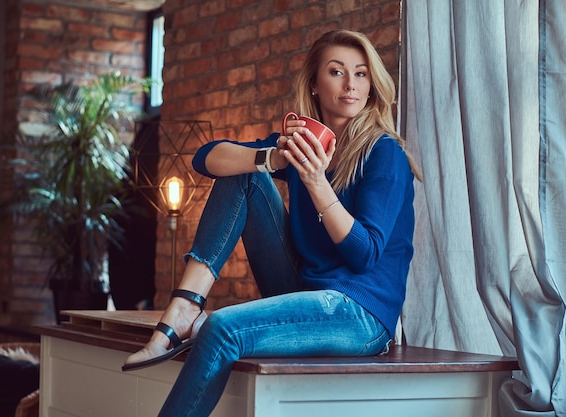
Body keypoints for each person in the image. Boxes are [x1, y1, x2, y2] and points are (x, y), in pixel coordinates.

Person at [122, 29, 421, 417]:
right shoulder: (300, 146)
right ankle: (186, 305)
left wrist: (316, 182)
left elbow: (364, 255)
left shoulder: (384, 154)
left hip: (359, 315)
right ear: (314, 84)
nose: (351, 85)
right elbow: (205, 158)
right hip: (305, 288)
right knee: (245, 173)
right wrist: (273, 157)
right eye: (337, 72)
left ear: (372, 84)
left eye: (361, 74)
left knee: (224, 329)